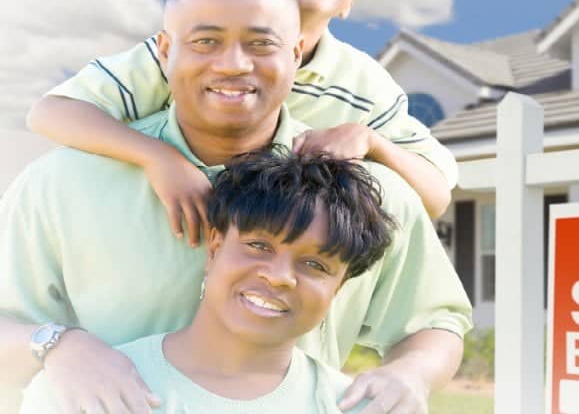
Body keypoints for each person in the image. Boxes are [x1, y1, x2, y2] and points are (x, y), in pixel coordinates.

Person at [0, 0, 471, 414]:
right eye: (205, 41)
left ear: (296, 53)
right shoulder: (62, 183)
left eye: (260, 44)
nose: (232, 65)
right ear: (166, 51)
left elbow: (435, 319)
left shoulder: (366, 196)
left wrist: (411, 375)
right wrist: (59, 346)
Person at [26, 0, 455, 252]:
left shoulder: (364, 84)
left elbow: (434, 197)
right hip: (165, 234)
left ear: (348, 2)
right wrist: (157, 158)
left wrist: (371, 141)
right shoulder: (191, 51)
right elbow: (51, 112)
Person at [20, 149, 394, 413]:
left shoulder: (355, 406)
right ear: (214, 248)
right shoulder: (82, 390)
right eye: (259, 245)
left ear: (338, 288)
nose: (279, 277)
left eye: (314, 264)